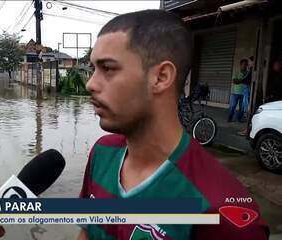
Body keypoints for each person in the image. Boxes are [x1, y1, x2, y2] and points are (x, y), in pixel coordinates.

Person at [78, 10, 268, 240]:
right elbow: (87, 232)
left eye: (107, 68)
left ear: (160, 77)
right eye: (92, 69)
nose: (90, 84)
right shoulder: (102, 153)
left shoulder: (222, 213)